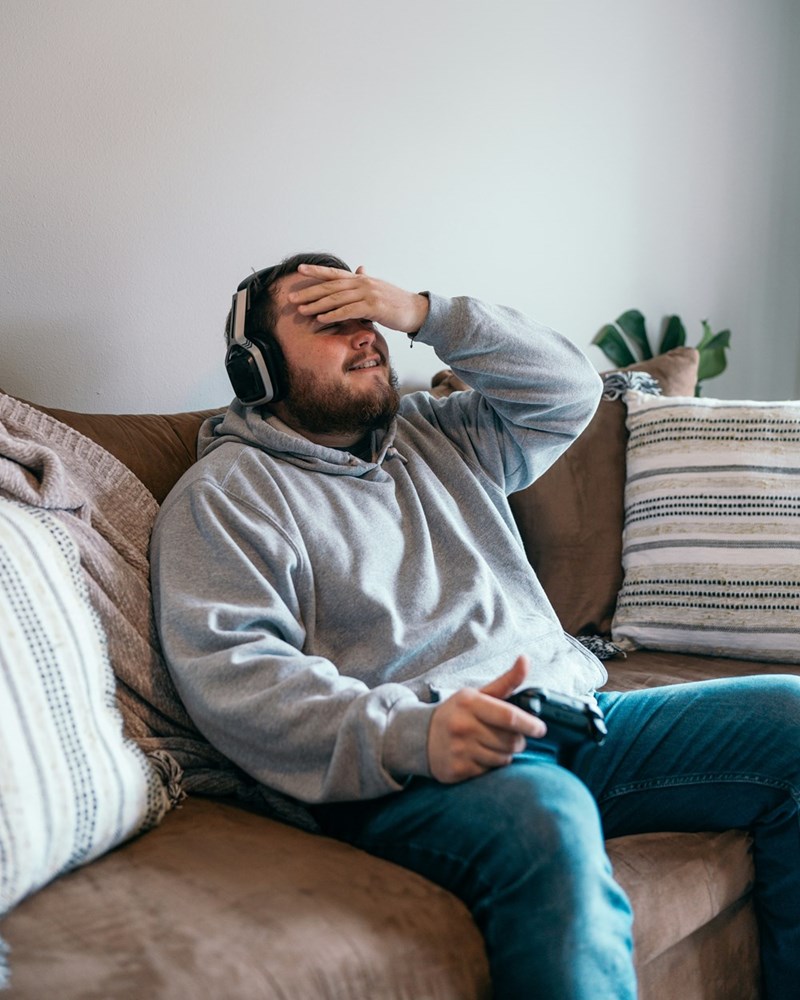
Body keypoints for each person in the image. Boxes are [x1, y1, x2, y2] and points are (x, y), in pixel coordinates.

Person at [151, 252, 800, 998]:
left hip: (568, 715)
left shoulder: (439, 433)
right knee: (546, 819)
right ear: (257, 368)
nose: (365, 335)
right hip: (414, 767)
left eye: (366, 314)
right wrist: (413, 734)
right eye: (328, 320)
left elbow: (572, 391)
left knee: (789, 716)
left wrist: (425, 313)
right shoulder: (228, 495)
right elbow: (237, 677)